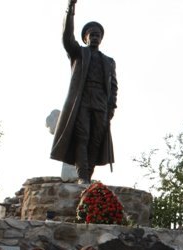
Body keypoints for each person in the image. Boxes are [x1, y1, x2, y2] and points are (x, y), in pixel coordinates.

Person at [50, 0, 117, 184]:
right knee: (83, 136)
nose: (95, 37)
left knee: (96, 140)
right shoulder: (78, 54)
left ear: (101, 38)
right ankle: (83, 177)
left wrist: (111, 108)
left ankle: (88, 174)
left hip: (101, 103)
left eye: (98, 35)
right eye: (91, 35)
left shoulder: (109, 61)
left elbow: (114, 87)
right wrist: (70, 9)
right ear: (85, 38)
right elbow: (67, 36)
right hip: (82, 101)